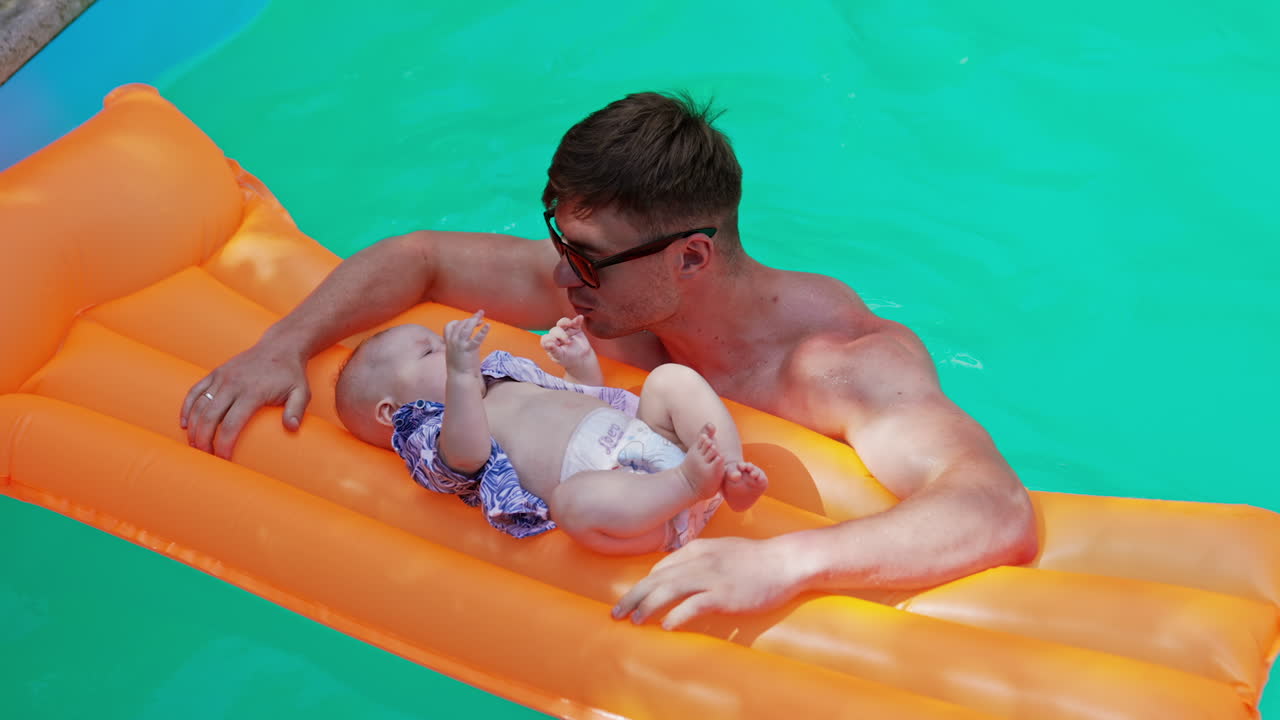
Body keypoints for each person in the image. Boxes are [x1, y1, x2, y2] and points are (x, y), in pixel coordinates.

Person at [181, 91, 1038, 630]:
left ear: (691, 259)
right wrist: (281, 346)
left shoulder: (841, 365)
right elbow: (420, 256)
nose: (559, 275)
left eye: (586, 257)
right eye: (561, 242)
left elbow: (995, 508)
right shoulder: (615, 299)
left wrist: (780, 562)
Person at [333, 310, 767, 555]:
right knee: (570, 505)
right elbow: (465, 457)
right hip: (627, 497)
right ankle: (689, 486)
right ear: (391, 412)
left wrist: (577, 363)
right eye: (431, 351)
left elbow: (580, 397)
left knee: (672, 379)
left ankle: (728, 475)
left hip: (645, 436)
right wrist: (460, 377)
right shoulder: (425, 431)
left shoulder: (498, 374)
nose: (450, 353)